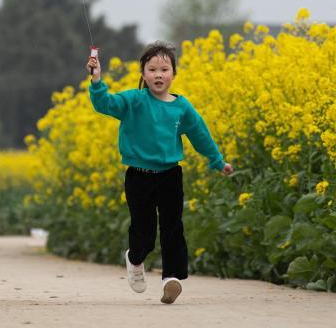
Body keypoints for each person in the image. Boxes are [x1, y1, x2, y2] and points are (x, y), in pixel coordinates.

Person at [87, 41, 233, 305]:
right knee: (144, 232)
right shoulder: (134, 100)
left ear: (173, 74)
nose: (158, 74)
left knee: (173, 227)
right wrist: (97, 81)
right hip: (138, 176)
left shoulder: (182, 107)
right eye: (152, 69)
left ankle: (171, 279)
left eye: (164, 69)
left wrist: (216, 160)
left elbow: (199, 134)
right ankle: (135, 258)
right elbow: (104, 104)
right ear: (143, 74)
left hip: (170, 175)